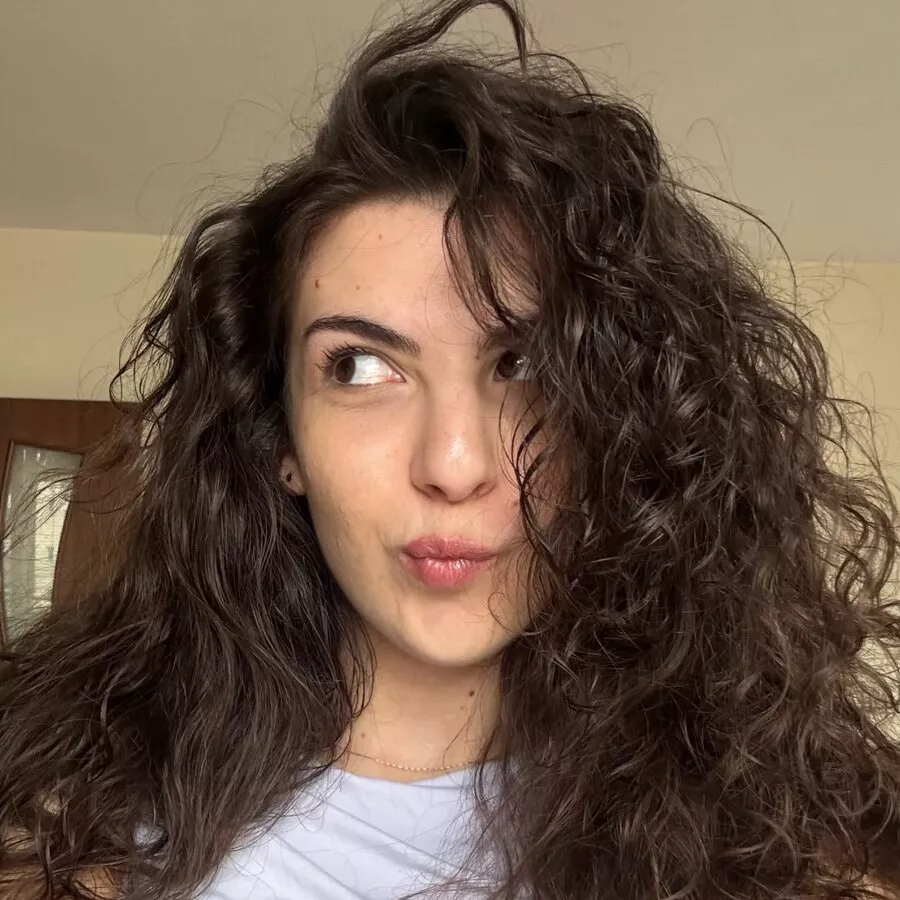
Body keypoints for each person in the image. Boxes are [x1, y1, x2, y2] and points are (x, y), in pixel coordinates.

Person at [2, 0, 900, 897]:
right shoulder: (67, 830)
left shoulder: (785, 839)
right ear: (282, 437)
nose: (454, 464)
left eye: (526, 364)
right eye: (359, 366)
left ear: (623, 424)